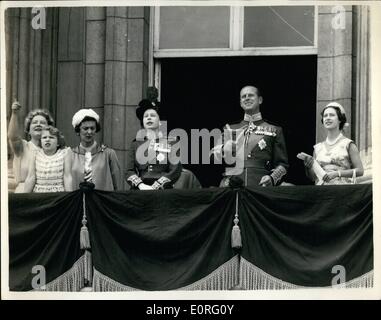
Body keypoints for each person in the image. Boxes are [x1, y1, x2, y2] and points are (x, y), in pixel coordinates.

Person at [212, 85, 289, 187]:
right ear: (240, 103)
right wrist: (223, 149)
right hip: (232, 185)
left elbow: (283, 165)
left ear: (260, 100)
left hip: (261, 185)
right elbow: (212, 156)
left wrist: (271, 178)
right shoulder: (229, 129)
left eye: (251, 95)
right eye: (243, 96)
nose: (247, 98)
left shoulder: (274, 129)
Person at [125, 99, 182, 190]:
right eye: (145, 116)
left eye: (153, 115)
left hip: (163, 191)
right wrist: (141, 185)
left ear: (160, 120)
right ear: (142, 122)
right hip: (140, 190)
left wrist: (156, 186)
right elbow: (128, 171)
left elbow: (175, 170)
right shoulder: (136, 143)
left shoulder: (172, 142)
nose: (149, 118)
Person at [302, 102, 363, 185]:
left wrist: (337, 174)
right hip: (322, 191)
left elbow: (360, 171)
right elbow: (313, 178)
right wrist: (308, 167)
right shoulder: (317, 148)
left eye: (331, 115)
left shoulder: (348, 144)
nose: (328, 118)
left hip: (343, 191)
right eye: (325, 116)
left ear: (340, 119)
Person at [7, 100, 54, 193]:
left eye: (42, 123)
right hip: (24, 193)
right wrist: (14, 113)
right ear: (28, 129)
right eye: (35, 122)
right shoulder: (23, 146)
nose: (38, 124)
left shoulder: (52, 151)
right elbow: (13, 136)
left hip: (45, 194)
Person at [70, 108, 122, 191]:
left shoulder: (108, 154)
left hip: (102, 201)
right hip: (78, 201)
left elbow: (117, 185)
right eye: (85, 128)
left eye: (92, 128)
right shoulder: (71, 155)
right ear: (78, 130)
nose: (89, 132)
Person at [24, 126, 72, 192]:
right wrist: (25, 197)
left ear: (58, 143)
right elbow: (30, 177)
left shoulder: (64, 153)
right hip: (39, 193)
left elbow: (67, 177)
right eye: (44, 137)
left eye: (51, 137)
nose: (47, 139)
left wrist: (69, 197)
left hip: (58, 193)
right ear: (41, 142)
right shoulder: (35, 154)